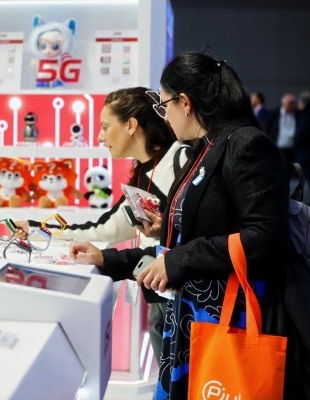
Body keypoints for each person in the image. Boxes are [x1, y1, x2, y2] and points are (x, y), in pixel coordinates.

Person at [69, 51, 290, 399]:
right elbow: (186, 240)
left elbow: (266, 237)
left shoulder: (244, 144)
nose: (164, 116)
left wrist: (177, 261)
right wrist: (109, 260)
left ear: (185, 103)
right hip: (193, 319)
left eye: (164, 105)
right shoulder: (206, 149)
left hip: (229, 320)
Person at [16, 87, 189, 362]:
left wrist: (165, 230)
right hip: (161, 295)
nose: (99, 137)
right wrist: (40, 228)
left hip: (190, 298)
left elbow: (202, 230)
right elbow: (105, 228)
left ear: (130, 125)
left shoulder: (181, 160)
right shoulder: (143, 172)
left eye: (105, 127)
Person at [265, 93, 296, 163]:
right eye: (290, 103)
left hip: (292, 150)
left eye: (293, 103)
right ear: (283, 103)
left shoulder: (297, 114)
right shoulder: (274, 114)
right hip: (277, 149)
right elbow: (266, 128)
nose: (292, 105)